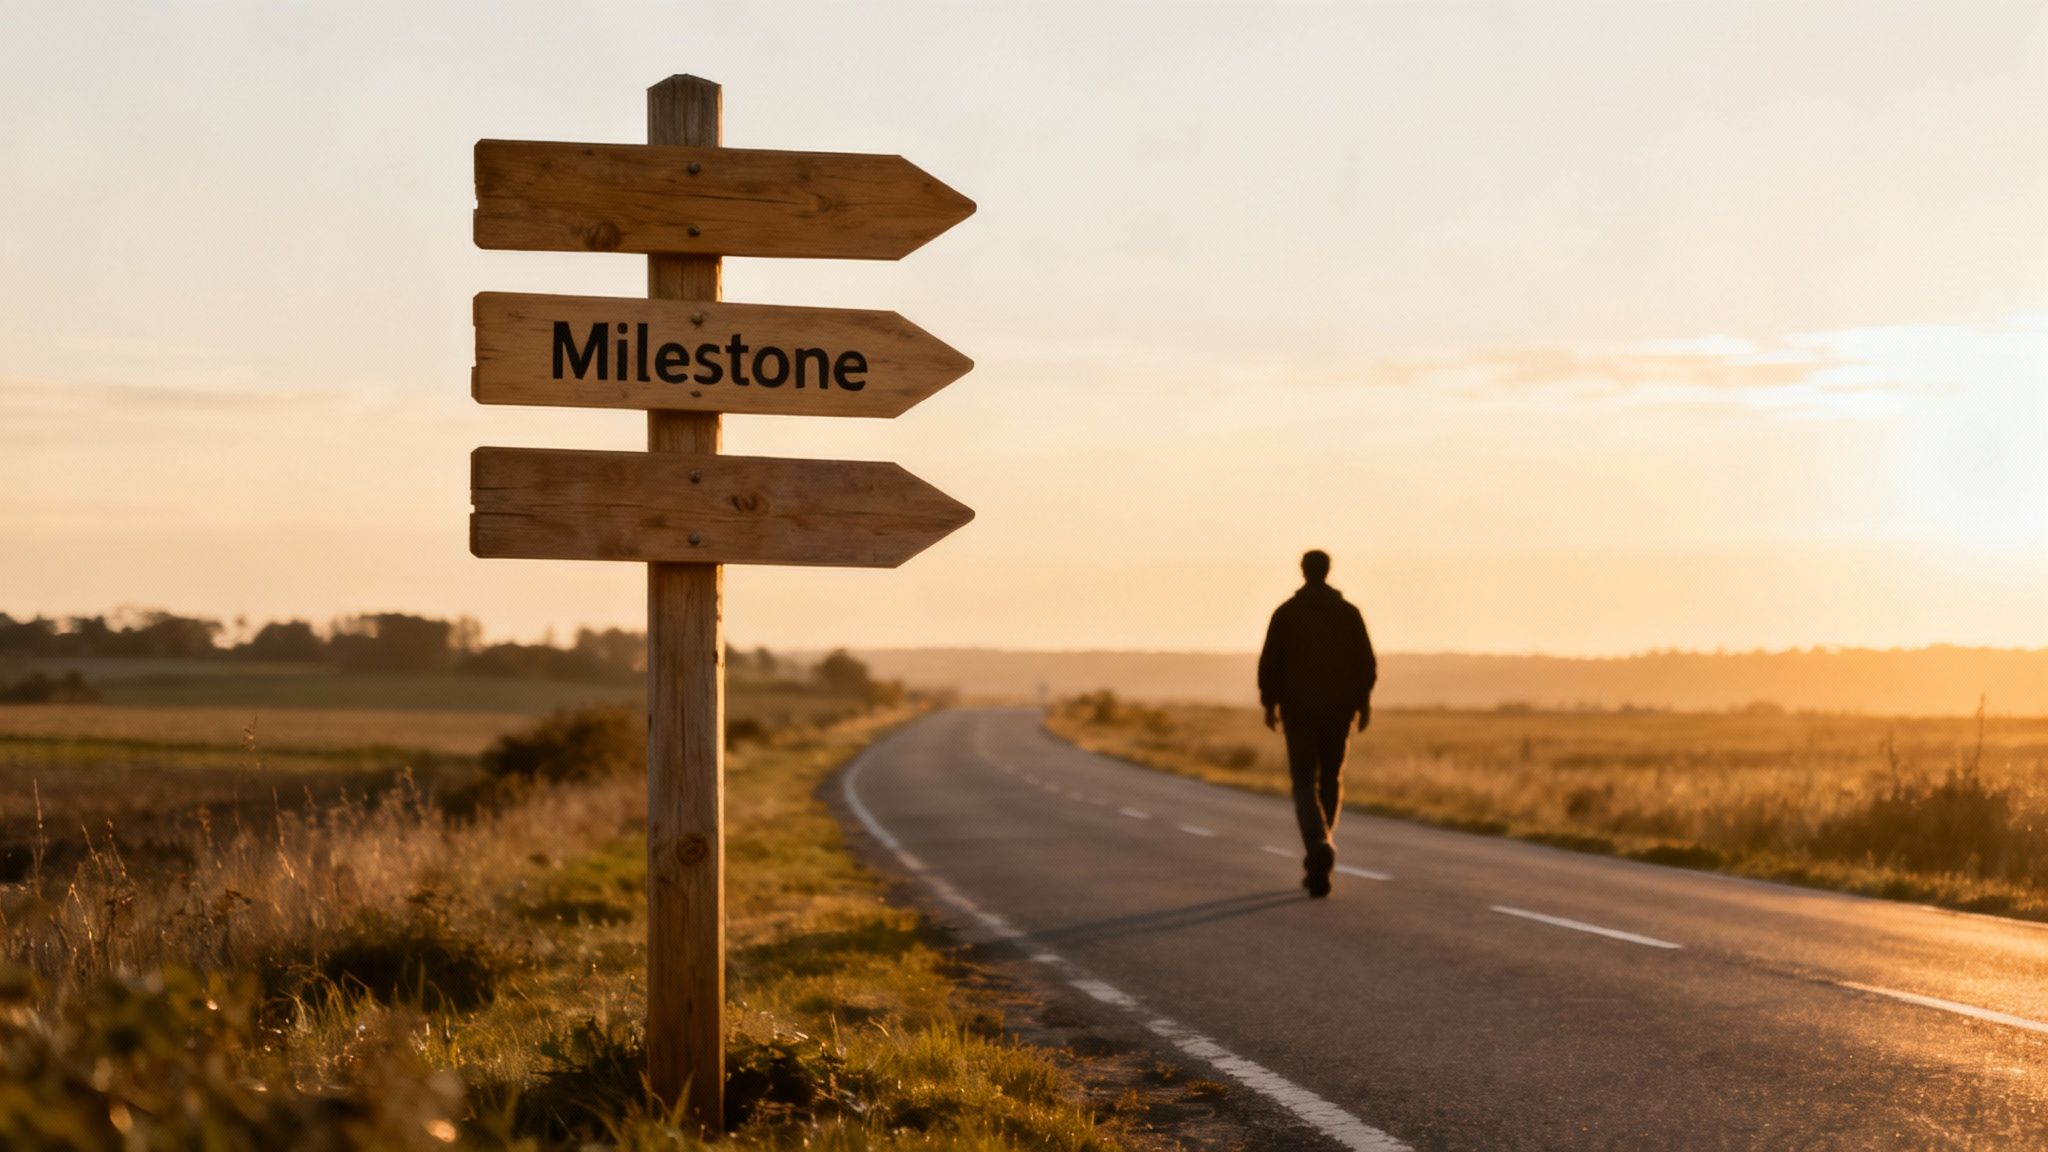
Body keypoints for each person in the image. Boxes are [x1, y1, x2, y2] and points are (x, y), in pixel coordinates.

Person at [1257, 550, 1376, 898]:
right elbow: (1366, 664)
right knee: (1331, 777)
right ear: (1328, 571)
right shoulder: (1348, 613)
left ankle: (1319, 844)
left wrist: (1269, 703)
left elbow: (1270, 662)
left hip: (1299, 710)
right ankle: (1321, 847)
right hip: (1339, 710)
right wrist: (1362, 703)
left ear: (1302, 571)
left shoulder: (1286, 613)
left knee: (1304, 783)